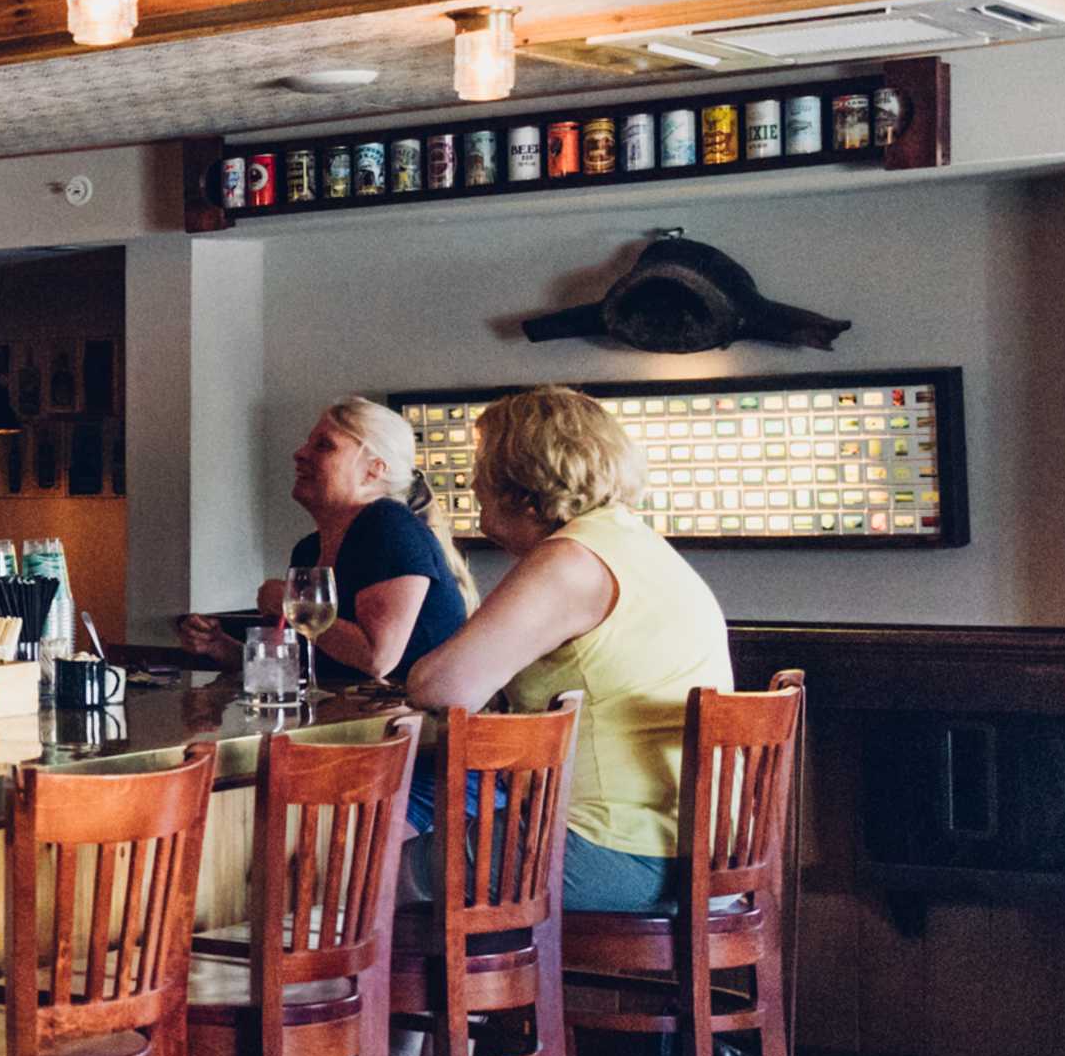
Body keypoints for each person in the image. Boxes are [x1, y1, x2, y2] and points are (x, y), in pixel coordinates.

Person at [402, 385, 730, 912]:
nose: (472, 483)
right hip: (694, 852)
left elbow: (441, 685)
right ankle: (482, 991)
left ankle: (401, 995)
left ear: (519, 481)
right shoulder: (634, 543)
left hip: (607, 851)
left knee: (353, 872)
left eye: (481, 466)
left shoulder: (571, 560)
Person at [182, 396, 474, 680]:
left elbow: (376, 659)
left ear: (374, 469)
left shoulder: (388, 525)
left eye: (323, 446)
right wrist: (221, 647)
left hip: (414, 725)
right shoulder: (308, 550)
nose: (300, 453)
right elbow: (303, 667)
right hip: (348, 722)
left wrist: (290, 601)